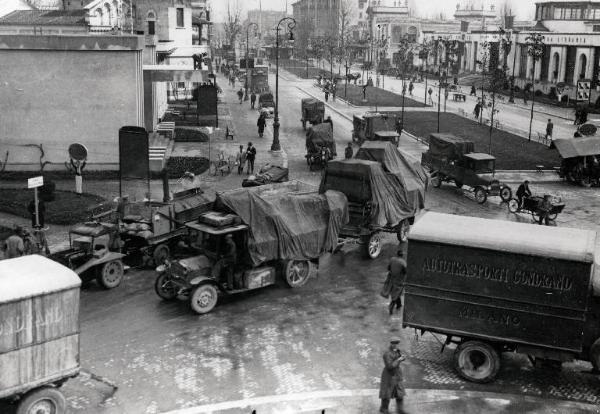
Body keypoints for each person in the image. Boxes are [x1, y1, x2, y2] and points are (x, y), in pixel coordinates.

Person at [379, 338, 406, 414]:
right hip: (389, 375)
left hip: (397, 374)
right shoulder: (387, 354)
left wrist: (402, 357)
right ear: (390, 344)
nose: (395, 345)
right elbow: (390, 366)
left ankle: (400, 410)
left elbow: (400, 357)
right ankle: (384, 409)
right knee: (387, 393)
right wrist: (399, 360)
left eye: (397, 343)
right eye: (394, 343)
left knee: (400, 392)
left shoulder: (397, 351)